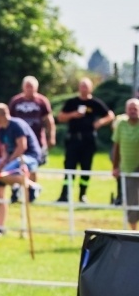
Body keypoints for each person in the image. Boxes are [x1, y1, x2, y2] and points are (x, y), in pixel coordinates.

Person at [0, 104, 43, 235]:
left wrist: (6, 164)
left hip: (29, 157)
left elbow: (22, 146)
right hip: (12, 159)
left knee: (3, 173)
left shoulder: (17, 125)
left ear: (0, 115)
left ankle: (29, 185)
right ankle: (24, 185)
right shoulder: (2, 129)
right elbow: (5, 150)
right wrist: (2, 162)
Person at [56, 78, 115, 203]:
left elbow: (110, 115)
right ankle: (65, 194)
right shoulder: (72, 102)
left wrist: (100, 122)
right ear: (79, 88)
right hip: (73, 140)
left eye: (86, 87)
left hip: (88, 141)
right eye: (82, 86)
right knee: (69, 168)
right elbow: (60, 117)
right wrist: (72, 115)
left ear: (91, 88)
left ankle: (82, 195)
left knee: (86, 168)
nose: (84, 89)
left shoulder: (95, 103)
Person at [112, 98, 139, 229]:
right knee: (131, 202)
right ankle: (134, 234)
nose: (133, 111)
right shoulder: (121, 124)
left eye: (135, 109)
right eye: (130, 109)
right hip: (127, 168)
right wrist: (115, 167)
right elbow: (116, 146)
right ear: (126, 110)